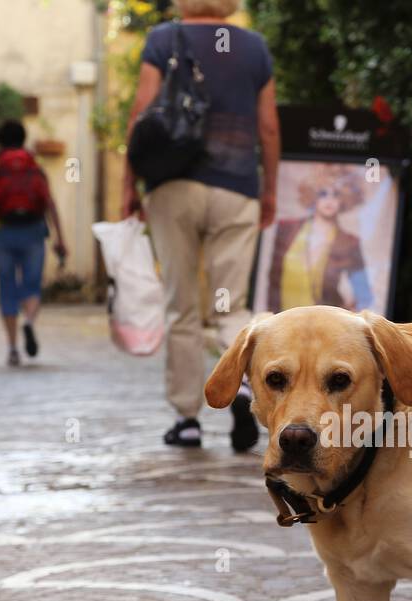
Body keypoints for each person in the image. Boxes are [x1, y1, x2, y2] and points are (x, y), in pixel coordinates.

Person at [122, 0, 279, 451]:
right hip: (235, 190)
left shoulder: (163, 39)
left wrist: (128, 187)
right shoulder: (254, 49)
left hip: (172, 188)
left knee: (182, 307)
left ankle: (187, 419)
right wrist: (269, 190)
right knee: (232, 307)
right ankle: (246, 391)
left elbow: (141, 113)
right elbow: (268, 128)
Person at [0, 120, 67, 367]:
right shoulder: (35, 164)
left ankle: (13, 348)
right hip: (34, 231)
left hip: (2, 233)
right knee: (32, 285)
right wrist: (60, 238)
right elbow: (50, 203)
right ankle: (28, 320)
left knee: (7, 289)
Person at [267, 166, 373, 313]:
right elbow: (273, 280)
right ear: (313, 195)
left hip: (324, 326)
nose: (329, 200)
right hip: (284, 321)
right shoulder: (286, 229)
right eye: (323, 194)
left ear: (344, 199)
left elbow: (363, 295)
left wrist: (344, 316)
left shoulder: (349, 242)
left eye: (336, 195)